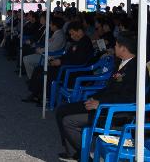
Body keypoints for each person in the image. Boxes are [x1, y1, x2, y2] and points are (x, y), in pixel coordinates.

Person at [55, 31, 143, 160]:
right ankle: (74, 152)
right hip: (103, 103)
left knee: (69, 121)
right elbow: (110, 88)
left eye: (117, 46)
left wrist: (100, 103)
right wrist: (94, 98)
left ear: (123, 49)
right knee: (62, 110)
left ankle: (84, 155)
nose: (114, 47)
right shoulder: (122, 63)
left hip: (115, 112)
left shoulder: (135, 69)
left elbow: (128, 97)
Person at [23, 21, 94, 103]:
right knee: (38, 69)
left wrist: (61, 62)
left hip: (74, 71)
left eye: (72, 33)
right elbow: (68, 55)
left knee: (47, 73)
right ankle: (35, 94)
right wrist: (58, 60)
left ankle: (47, 97)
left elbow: (79, 61)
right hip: (67, 66)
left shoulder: (85, 42)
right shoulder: (77, 42)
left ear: (80, 31)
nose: (71, 36)